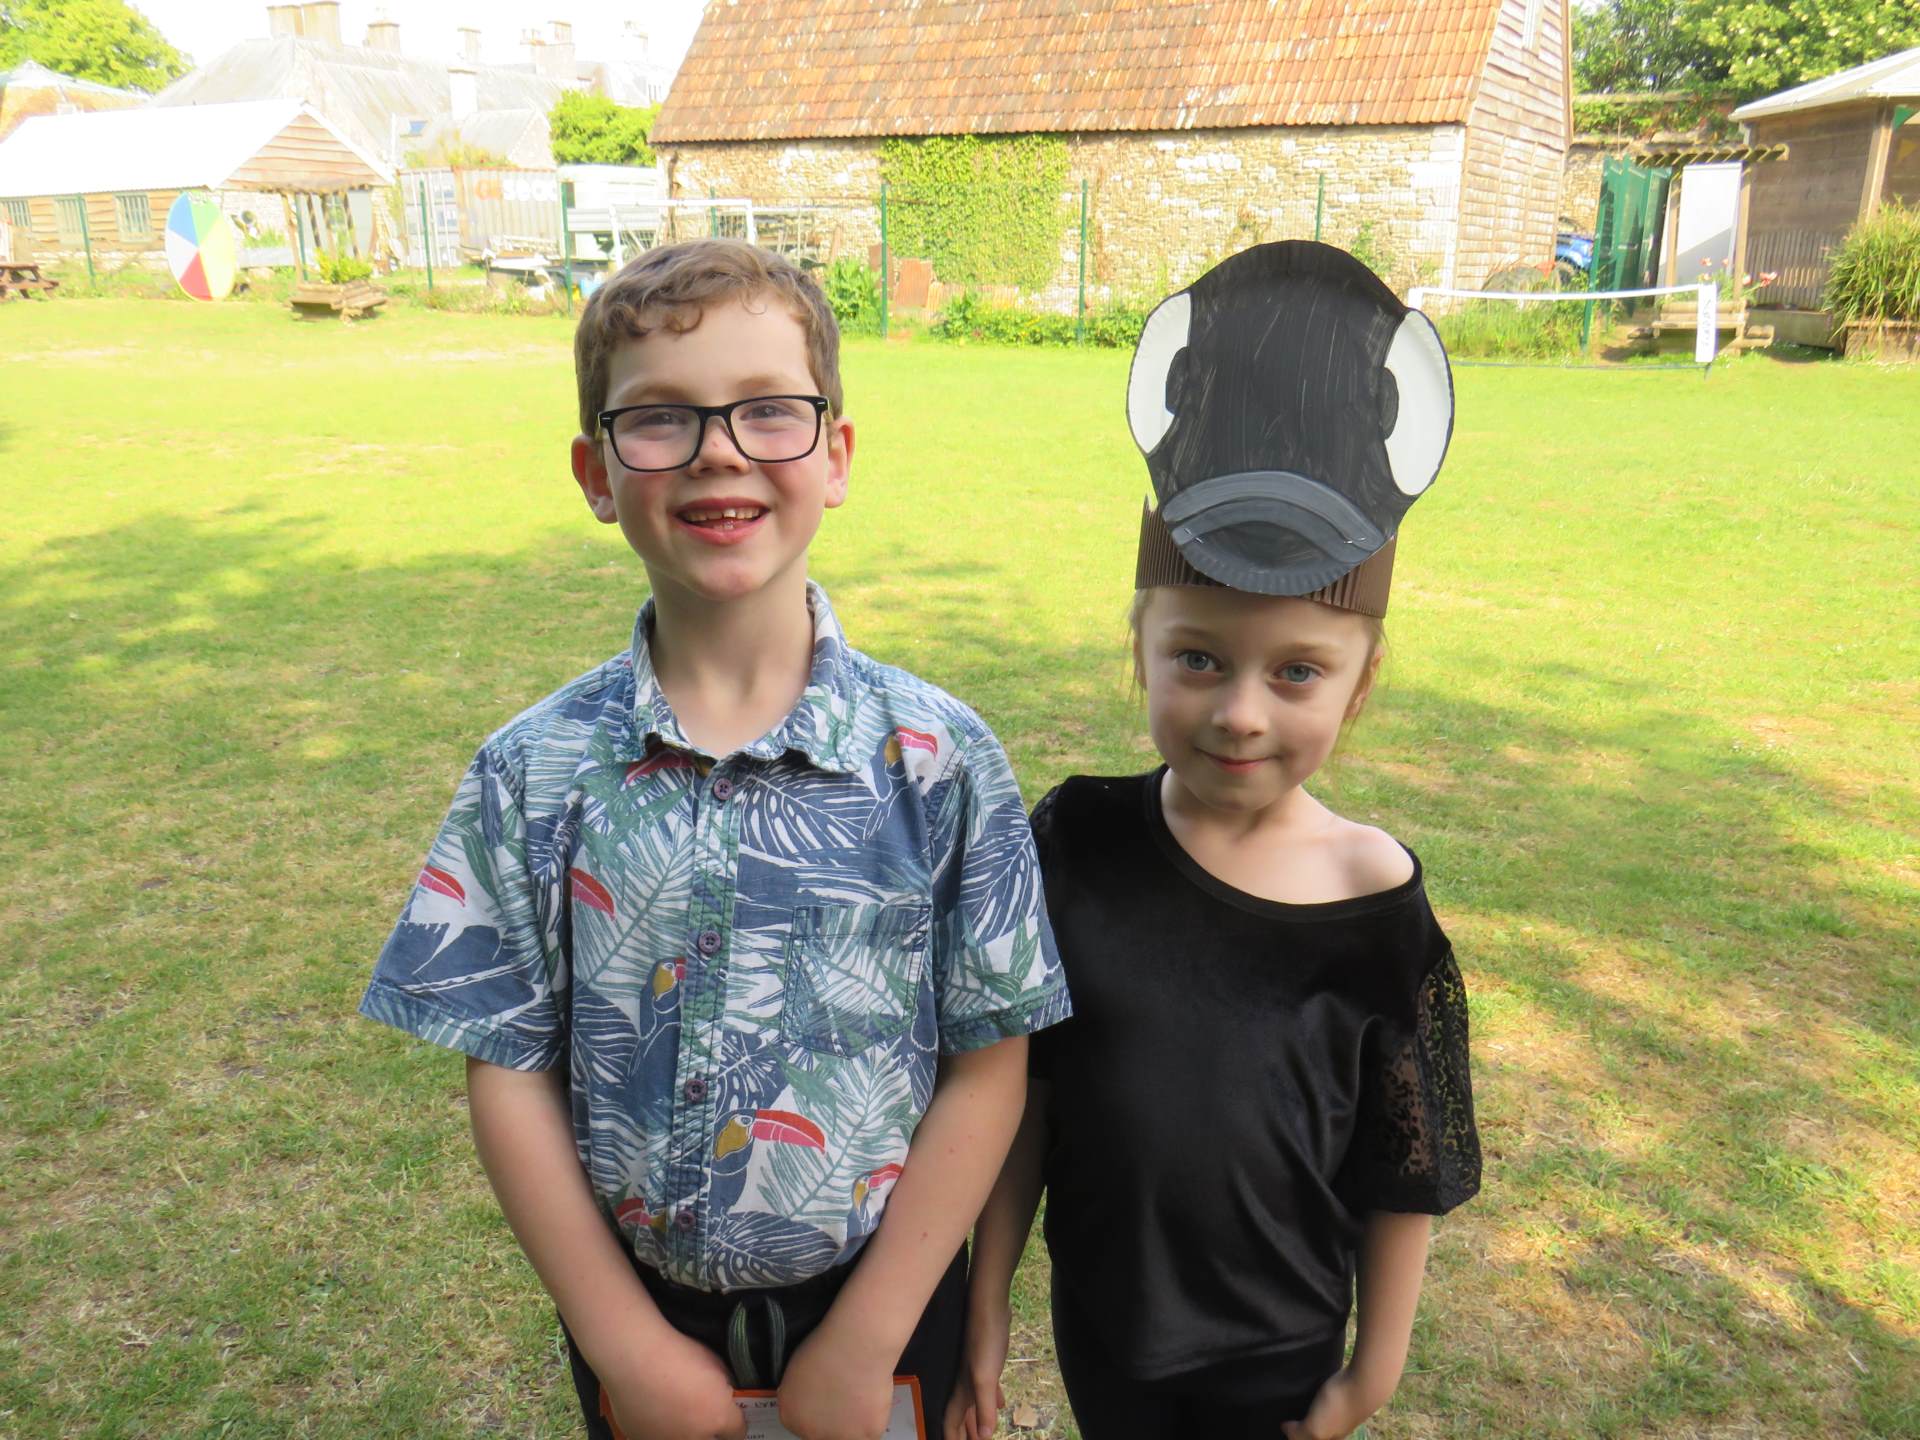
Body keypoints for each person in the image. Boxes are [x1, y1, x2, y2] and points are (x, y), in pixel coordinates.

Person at [361, 238, 1070, 1440]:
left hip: (888, 1313)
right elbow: (507, 1068)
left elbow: (989, 1063)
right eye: (661, 419)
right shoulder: (532, 772)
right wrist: (626, 1346)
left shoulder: (941, 760)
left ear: (836, 454)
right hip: (639, 1319)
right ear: (596, 472)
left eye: (768, 410)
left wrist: (868, 1338)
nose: (720, 451)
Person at [947, 242, 1482, 1440]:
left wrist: (1372, 1373)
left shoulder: (1375, 902)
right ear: (1137, 652)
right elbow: (1020, 1103)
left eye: (1297, 672)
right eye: (1198, 658)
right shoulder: (1076, 840)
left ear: (1360, 683)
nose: (1241, 712)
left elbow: (1405, 1168)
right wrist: (987, 1307)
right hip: (1106, 1336)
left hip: (1278, 1366)